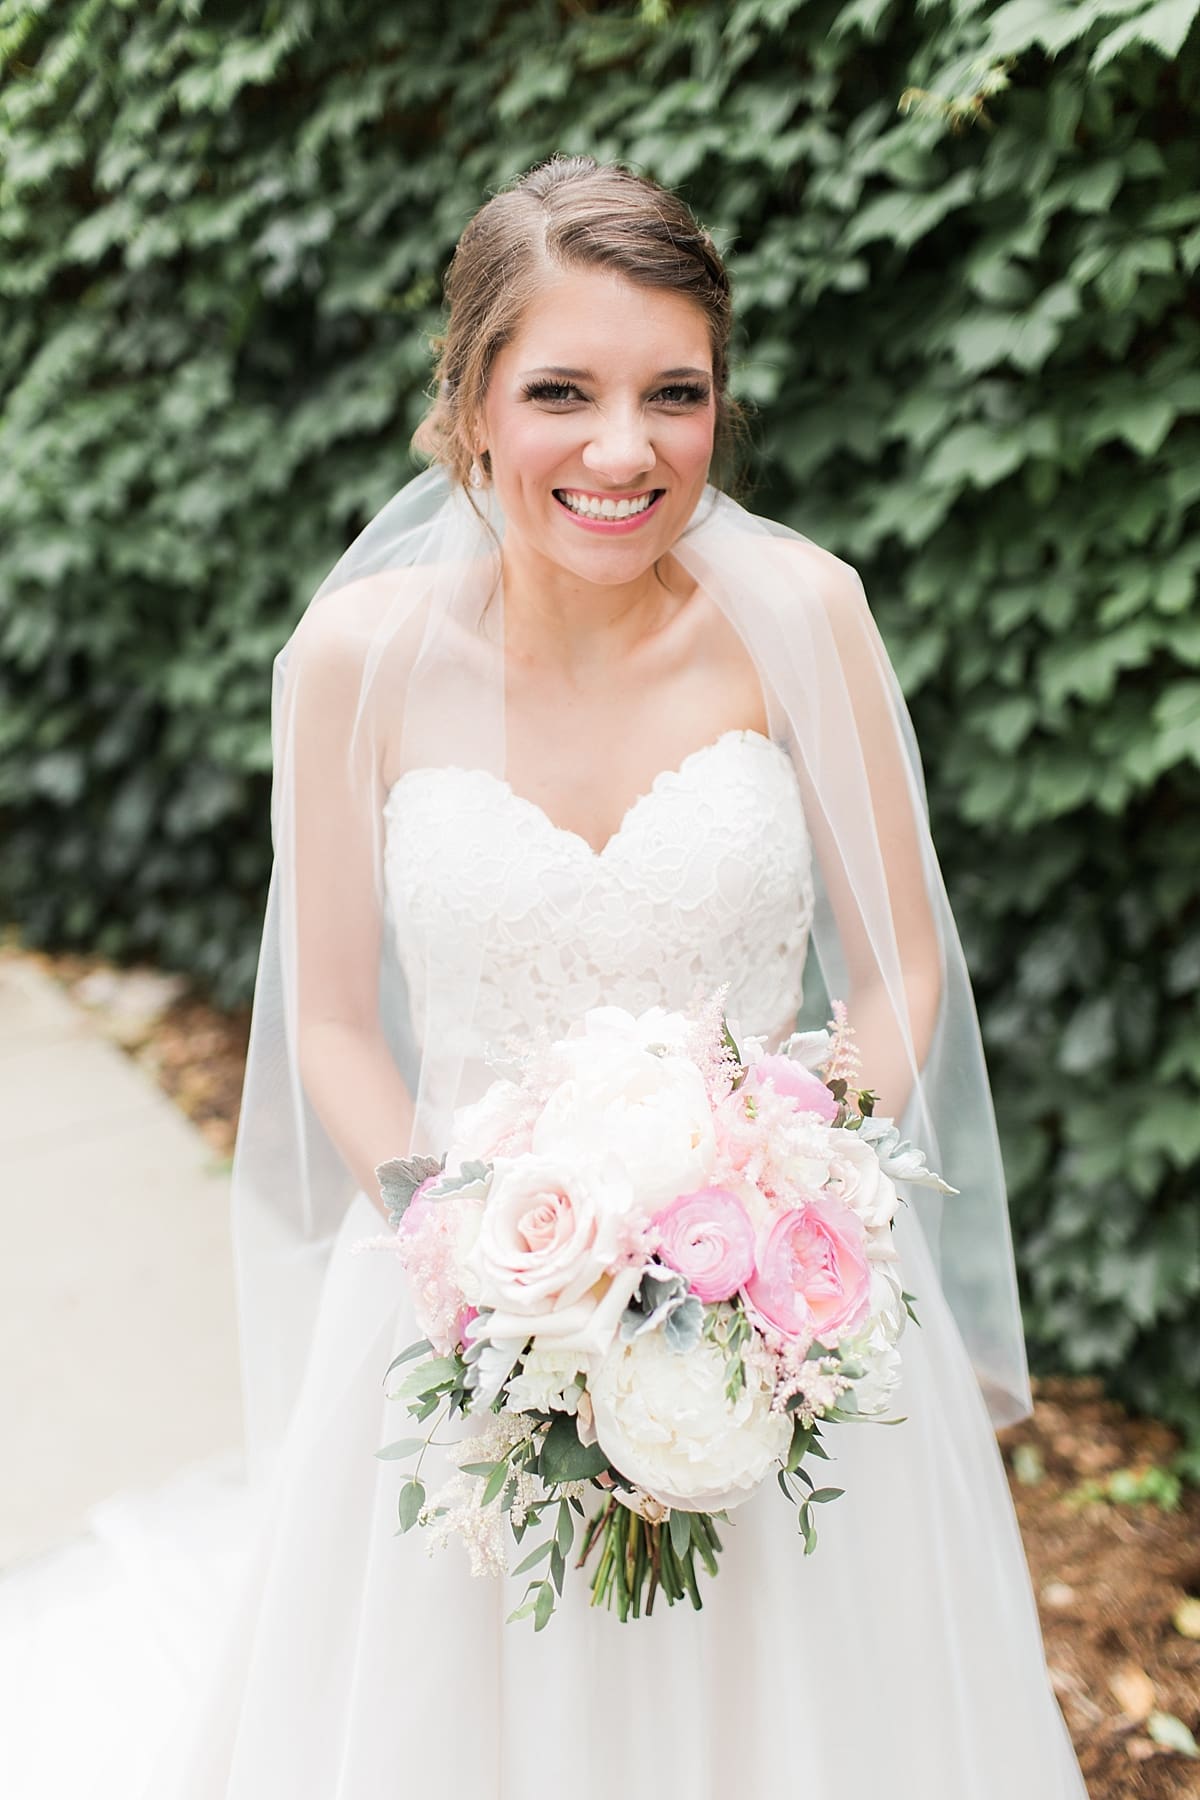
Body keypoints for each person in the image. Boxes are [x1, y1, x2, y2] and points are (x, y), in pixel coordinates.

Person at [139, 153, 1091, 1797]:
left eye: (676, 394)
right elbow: (336, 1025)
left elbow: (900, 969)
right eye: (562, 392)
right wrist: (475, 1261)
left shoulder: (802, 614)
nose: (624, 450)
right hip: (463, 1298)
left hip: (779, 1307)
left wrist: (787, 1203)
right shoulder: (354, 660)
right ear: (470, 405)